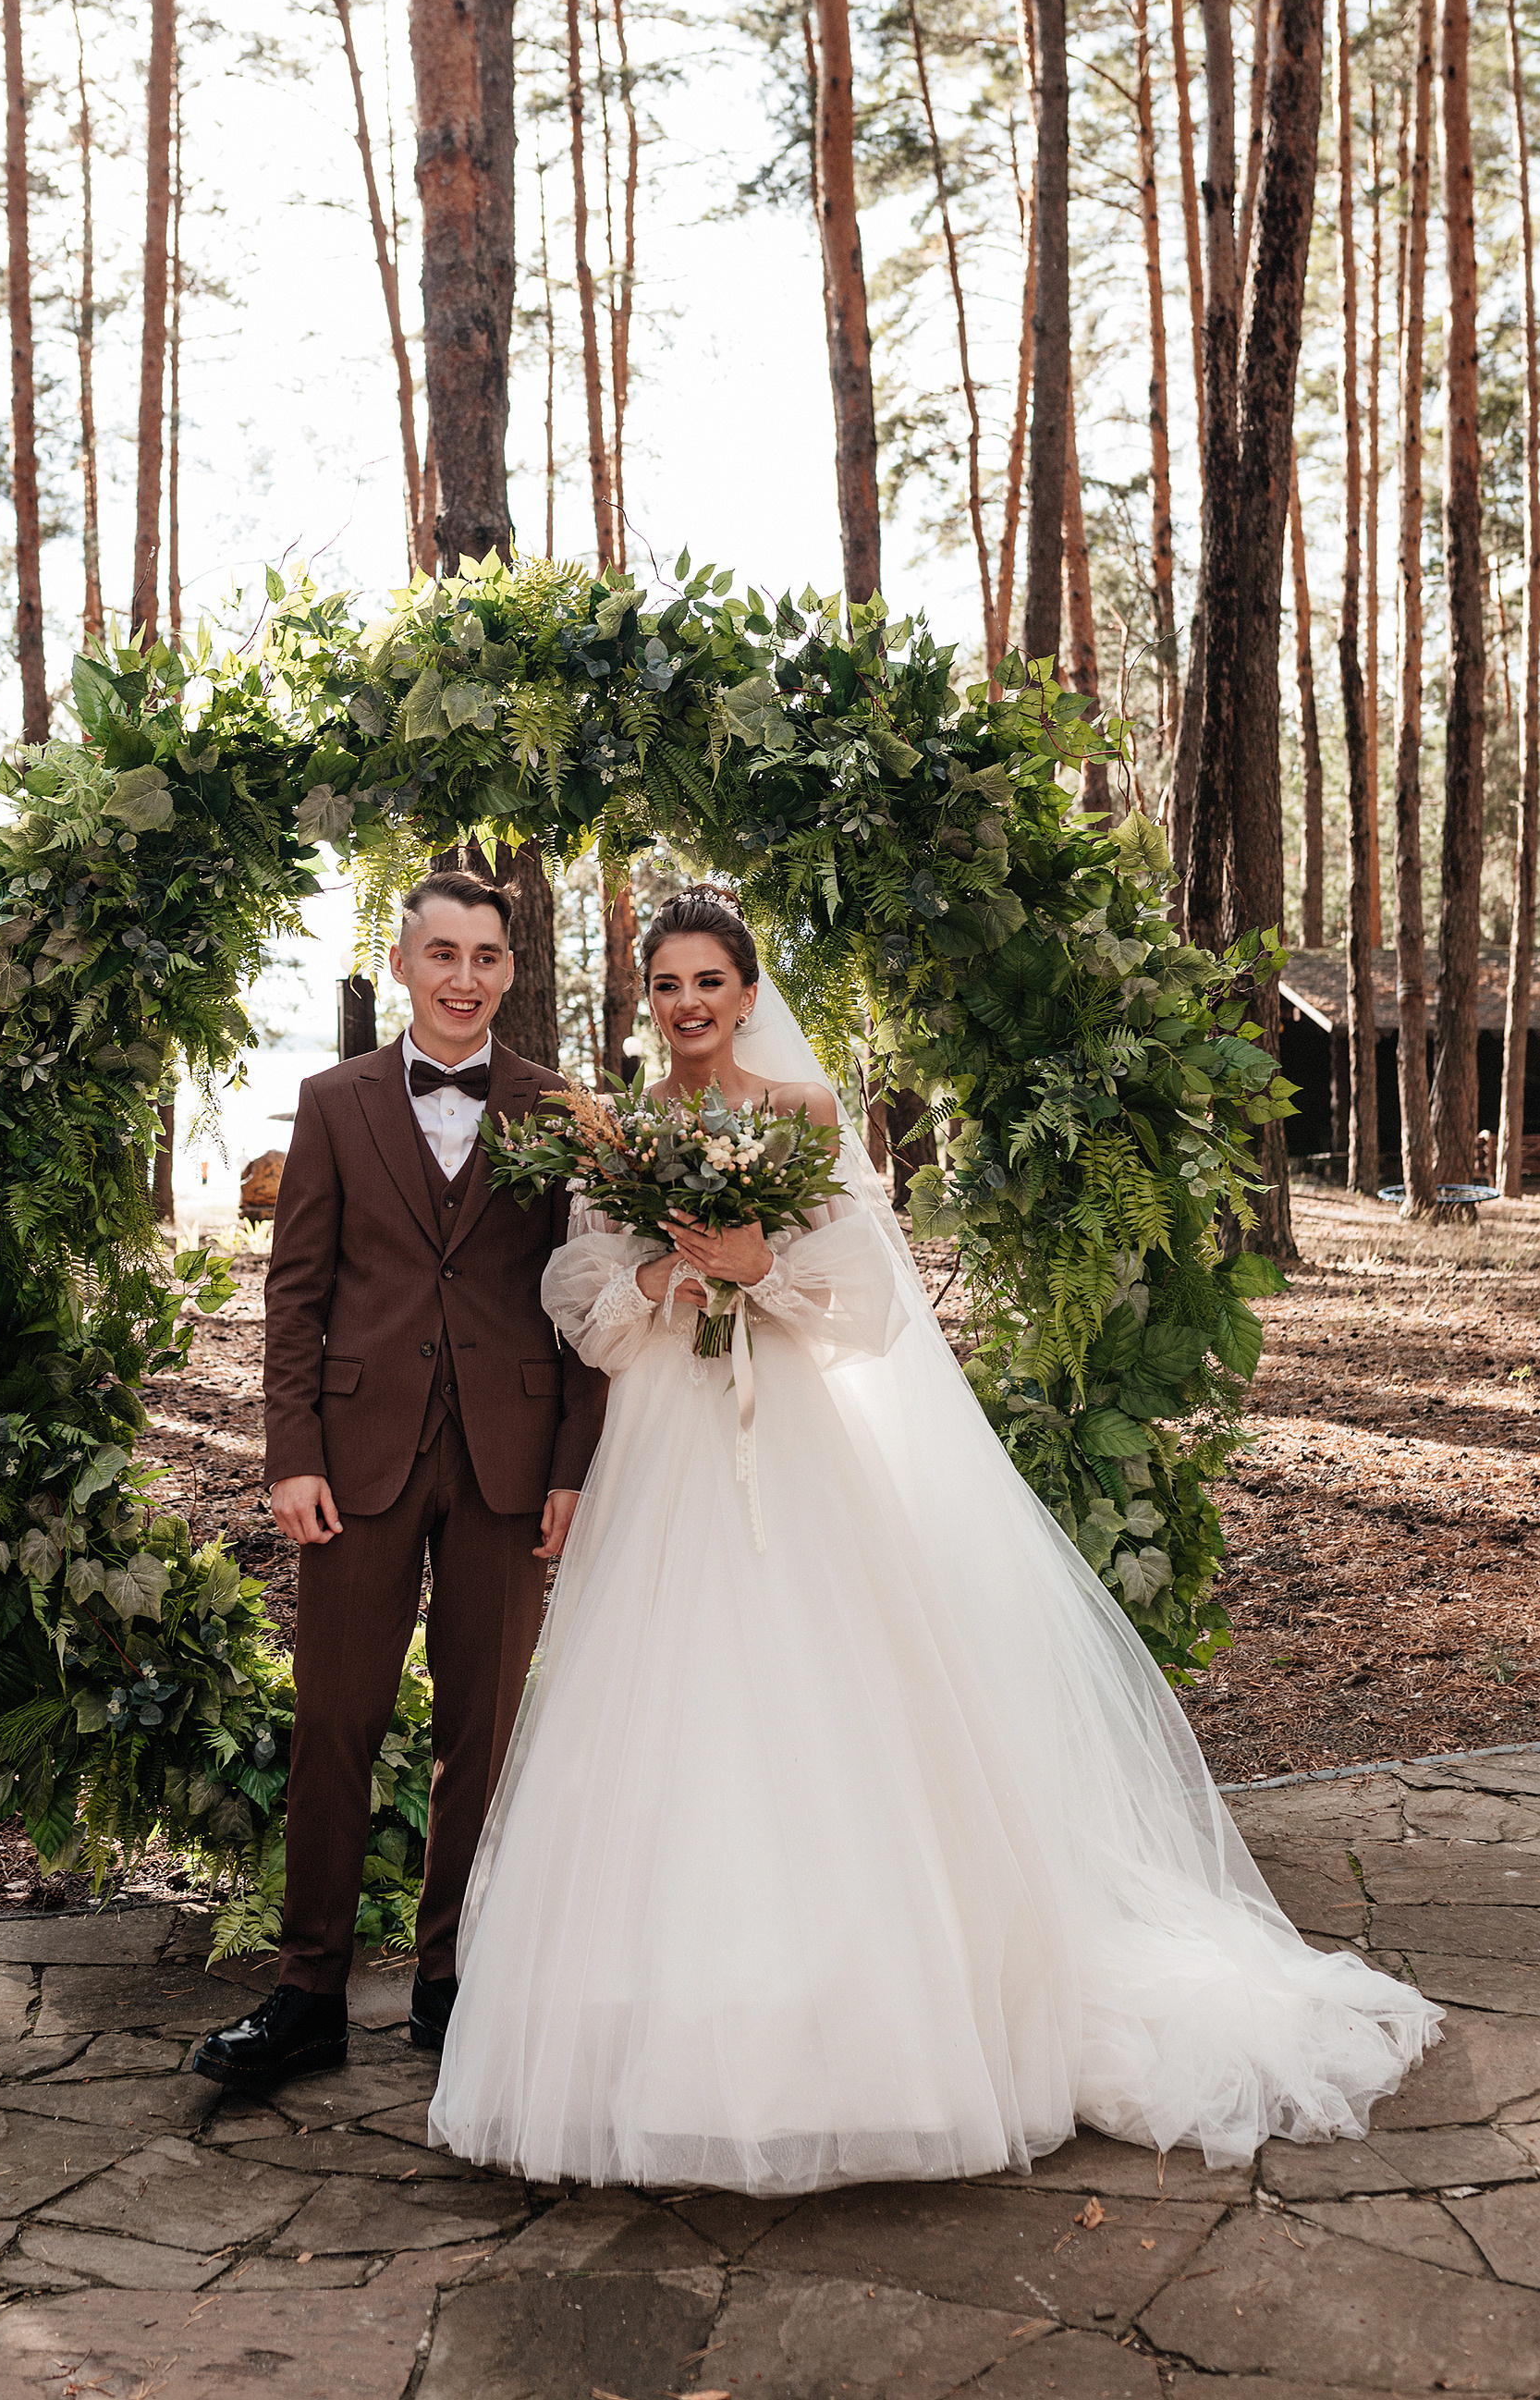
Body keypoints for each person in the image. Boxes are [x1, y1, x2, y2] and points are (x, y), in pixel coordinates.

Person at [428, 885, 1440, 2195]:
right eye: (666, 985)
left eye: (709, 983)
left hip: (785, 1435)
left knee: (819, 1696)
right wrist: (671, 1277)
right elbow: (581, 1299)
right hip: (668, 1441)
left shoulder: (801, 1117)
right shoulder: (622, 1134)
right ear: (648, 999)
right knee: (661, 1704)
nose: (686, 1007)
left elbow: (864, 1301)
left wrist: (757, 1267)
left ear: (747, 992)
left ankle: (873, 2029)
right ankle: (656, 2028)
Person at [195, 869, 605, 2092]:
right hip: (356, 1463)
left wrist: (575, 1467)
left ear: (512, 970)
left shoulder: (558, 1108)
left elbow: (587, 1303)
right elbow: (296, 1295)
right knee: (335, 1723)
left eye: (487, 956)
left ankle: (451, 1983)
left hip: (509, 1462)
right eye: (442, 954)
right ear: (402, 959)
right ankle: (307, 1993)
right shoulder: (334, 1102)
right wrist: (290, 1453)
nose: (464, 977)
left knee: (479, 1731)